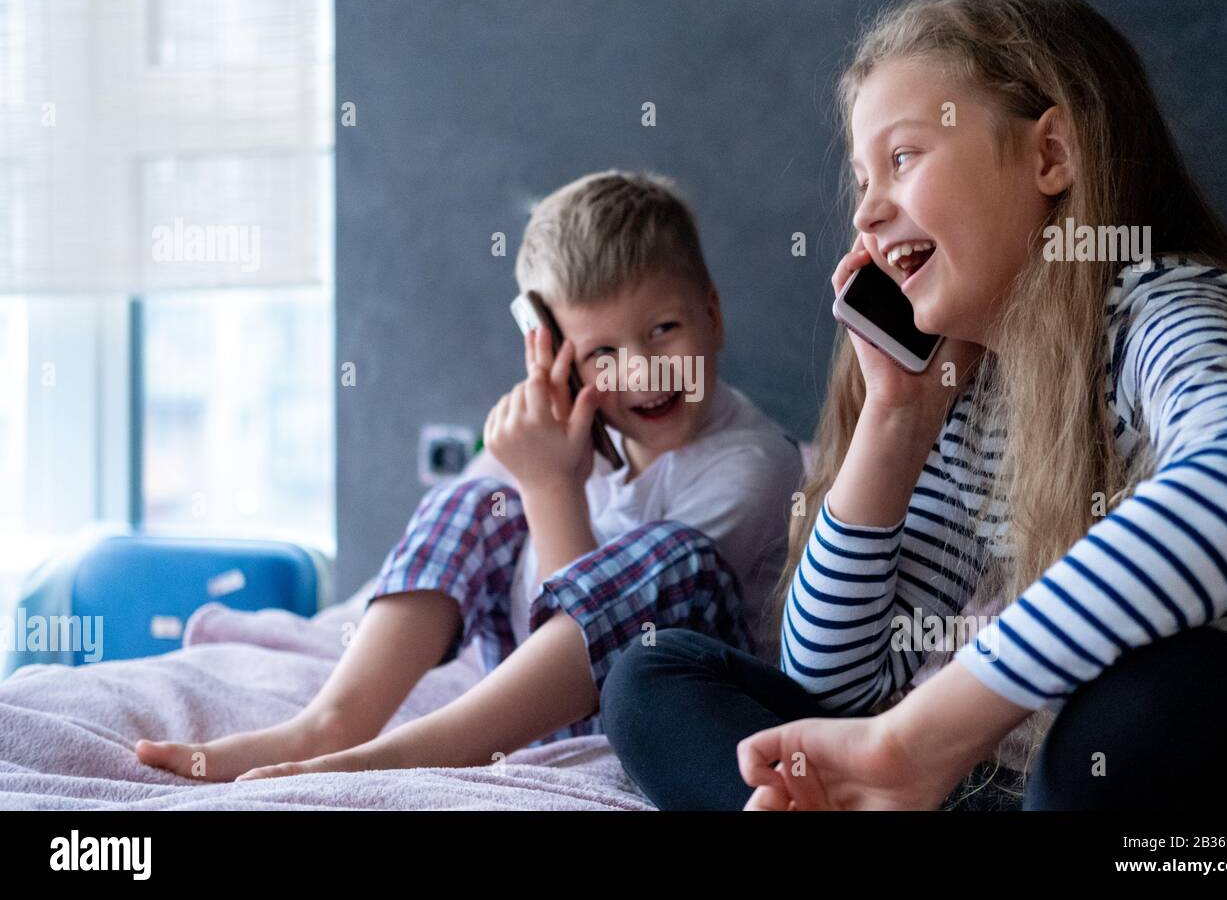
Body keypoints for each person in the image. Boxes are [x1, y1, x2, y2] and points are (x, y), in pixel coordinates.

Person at [599, 0, 1227, 811]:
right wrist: (898, 414)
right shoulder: (973, 390)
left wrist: (921, 735)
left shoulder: (1169, 306)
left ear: (1049, 157)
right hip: (1026, 789)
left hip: (1200, 778)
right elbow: (838, 684)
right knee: (655, 675)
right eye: (861, 179)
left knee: (1142, 705)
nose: (867, 213)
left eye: (901, 158)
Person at [136, 169, 804, 782]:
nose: (640, 369)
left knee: (671, 557)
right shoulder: (579, 430)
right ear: (554, 357)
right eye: (600, 351)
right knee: (475, 500)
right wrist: (540, 469)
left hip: (651, 699)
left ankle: (407, 752)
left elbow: (598, 651)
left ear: (712, 314)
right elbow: (484, 560)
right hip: (536, 682)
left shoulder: (751, 467)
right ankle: (329, 724)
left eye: (662, 330)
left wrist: (552, 486)